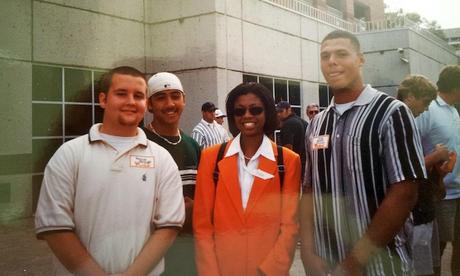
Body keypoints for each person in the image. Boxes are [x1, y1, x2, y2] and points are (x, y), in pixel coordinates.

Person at [34, 66, 185, 276]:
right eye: (121, 94)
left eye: (139, 96)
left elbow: (169, 226)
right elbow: (55, 227)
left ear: (145, 103)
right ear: (103, 99)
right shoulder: (69, 154)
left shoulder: (162, 159)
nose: (131, 101)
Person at [299, 30, 427, 275]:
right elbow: (309, 189)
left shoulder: (392, 113)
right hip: (326, 264)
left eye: (341, 54)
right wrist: (307, 251)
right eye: (325, 56)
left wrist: (354, 263)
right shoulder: (317, 123)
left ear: (360, 59)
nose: (332, 61)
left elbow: (404, 194)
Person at [193, 82, 301, 276]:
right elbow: (202, 226)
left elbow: (290, 226)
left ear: (267, 112)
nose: (247, 116)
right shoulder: (211, 158)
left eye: (256, 109)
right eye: (239, 111)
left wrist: (269, 271)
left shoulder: (288, 161)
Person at [142, 72, 200, 276]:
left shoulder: (193, 146)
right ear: (149, 105)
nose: (169, 104)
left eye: (175, 96)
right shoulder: (140, 143)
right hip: (149, 251)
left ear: (184, 100)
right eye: (160, 97)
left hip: (188, 250)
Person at [397, 75, 455, 275]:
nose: (427, 108)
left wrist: (436, 169)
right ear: (410, 97)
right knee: (420, 265)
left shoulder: (407, 120)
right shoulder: (399, 122)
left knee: (426, 261)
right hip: (413, 210)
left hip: (421, 204)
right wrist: (436, 156)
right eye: (426, 102)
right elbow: (404, 168)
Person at [416, 65, 460, 275]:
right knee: (437, 249)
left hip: (459, 191)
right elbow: (411, 151)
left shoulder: (453, 110)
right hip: (441, 194)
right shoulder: (429, 109)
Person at [276, 100, 307, 180]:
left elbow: (288, 148)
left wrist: (287, 168)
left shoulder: (288, 124)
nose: (278, 114)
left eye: (281, 111)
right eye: (277, 112)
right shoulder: (303, 122)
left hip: (295, 165)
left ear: (289, 110)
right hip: (306, 164)